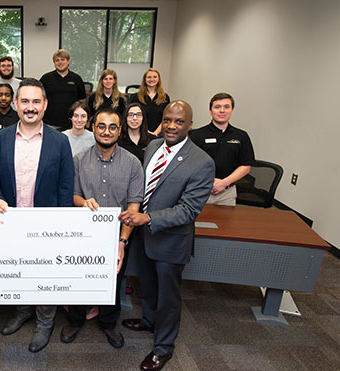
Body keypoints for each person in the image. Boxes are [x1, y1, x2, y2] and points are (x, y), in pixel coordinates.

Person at [118, 101, 214, 371]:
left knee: (168, 298)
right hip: (145, 237)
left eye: (179, 121)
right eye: (168, 120)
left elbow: (189, 210)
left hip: (171, 242)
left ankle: (163, 348)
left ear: (190, 125)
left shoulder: (202, 162)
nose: (172, 126)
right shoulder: (152, 146)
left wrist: (147, 218)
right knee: (147, 287)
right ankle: (149, 320)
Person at [0, 78, 74, 353]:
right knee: (17, 270)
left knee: (45, 274)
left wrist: (59, 225)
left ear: (45, 105)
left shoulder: (60, 141)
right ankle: (23, 310)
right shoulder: (1, 138)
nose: (30, 107)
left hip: (46, 225)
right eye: (25, 101)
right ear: (15, 104)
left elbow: (66, 186)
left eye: (36, 101)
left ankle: (45, 322)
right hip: (11, 222)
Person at [60, 107, 144, 349]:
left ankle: (108, 323)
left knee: (114, 280)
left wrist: (122, 242)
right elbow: (73, 195)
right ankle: (75, 319)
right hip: (84, 233)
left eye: (113, 127)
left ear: (120, 130)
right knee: (78, 278)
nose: (107, 132)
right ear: (93, 128)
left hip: (118, 234)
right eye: (102, 126)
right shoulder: (78, 160)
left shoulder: (133, 163)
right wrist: (83, 202)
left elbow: (134, 206)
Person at [189, 93, 255, 206]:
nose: (222, 110)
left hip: (227, 193)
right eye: (217, 107)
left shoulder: (241, 136)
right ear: (210, 111)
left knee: (226, 223)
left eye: (226, 107)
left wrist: (224, 183)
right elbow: (189, 164)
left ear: (232, 110)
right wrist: (208, 183)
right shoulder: (197, 135)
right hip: (200, 190)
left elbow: (246, 166)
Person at [39, 49, 86, 130]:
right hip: (50, 123)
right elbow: (39, 98)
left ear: (68, 61)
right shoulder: (46, 78)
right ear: (54, 63)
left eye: (63, 59)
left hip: (72, 123)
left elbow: (82, 100)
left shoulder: (76, 79)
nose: (60, 62)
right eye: (57, 60)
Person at [128, 68, 170, 137]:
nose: (152, 79)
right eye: (149, 77)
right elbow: (132, 116)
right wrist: (145, 131)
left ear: (158, 79)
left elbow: (166, 117)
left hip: (159, 134)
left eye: (155, 77)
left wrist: (155, 133)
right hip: (139, 133)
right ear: (145, 80)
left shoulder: (165, 97)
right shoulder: (135, 97)